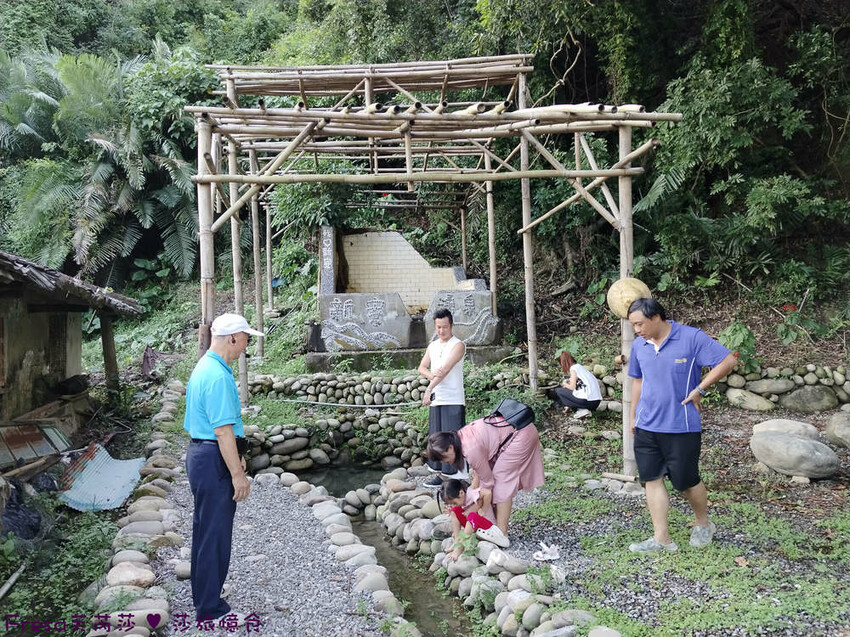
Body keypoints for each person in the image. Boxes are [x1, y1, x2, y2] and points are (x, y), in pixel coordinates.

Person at [626, 298, 737, 553]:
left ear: (656, 317)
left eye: (640, 324)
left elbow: (728, 360)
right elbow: (638, 381)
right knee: (651, 478)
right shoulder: (640, 345)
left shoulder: (690, 337)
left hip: (681, 425)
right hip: (647, 425)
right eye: (633, 325)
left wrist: (700, 389)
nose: (637, 330)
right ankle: (661, 539)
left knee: (686, 481)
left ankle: (703, 523)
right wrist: (633, 417)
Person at [184, 313, 263, 622]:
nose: (246, 345)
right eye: (245, 339)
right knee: (215, 534)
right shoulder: (217, 376)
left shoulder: (206, 366)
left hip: (202, 454)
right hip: (212, 457)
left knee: (205, 530)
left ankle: (205, 593)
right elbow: (222, 431)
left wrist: (237, 456)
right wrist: (237, 475)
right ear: (232, 338)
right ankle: (210, 609)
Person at [427, 415, 545, 539]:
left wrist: (475, 507)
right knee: (491, 479)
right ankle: (494, 524)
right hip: (517, 429)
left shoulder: (470, 449)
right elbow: (479, 472)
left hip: (521, 434)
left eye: (443, 458)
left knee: (501, 481)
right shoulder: (461, 438)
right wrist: (472, 495)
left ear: (450, 448)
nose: (445, 462)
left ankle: (501, 532)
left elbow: (487, 484)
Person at [418, 308, 467, 488]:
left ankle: (457, 477)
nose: (441, 330)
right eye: (438, 327)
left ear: (451, 325)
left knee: (453, 439)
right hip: (436, 399)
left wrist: (429, 388)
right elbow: (421, 367)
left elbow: (445, 370)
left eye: (444, 327)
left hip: (453, 399)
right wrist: (432, 376)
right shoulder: (432, 346)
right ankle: (440, 475)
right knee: (436, 438)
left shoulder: (458, 345)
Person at [438, 479, 509, 555]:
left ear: (461, 493)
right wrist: (453, 510)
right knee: (455, 510)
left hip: (488, 527)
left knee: (471, 516)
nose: (455, 505)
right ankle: (456, 541)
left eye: (455, 503)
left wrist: (484, 509)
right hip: (475, 525)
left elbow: (488, 493)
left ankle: (460, 547)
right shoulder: (463, 499)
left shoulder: (471, 493)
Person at [554, 351, 603, 419]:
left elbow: (572, 387)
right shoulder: (580, 368)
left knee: (558, 390)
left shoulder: (573, 369)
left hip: (587, 401)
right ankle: (582, 410)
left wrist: (564, 383)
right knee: (569, 391)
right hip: (596, 402)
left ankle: (581, 410)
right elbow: (578, 388)